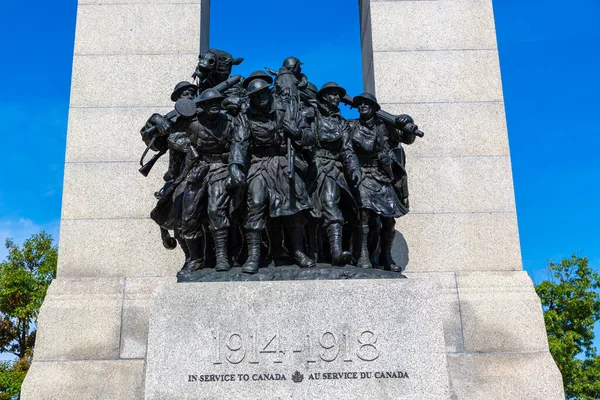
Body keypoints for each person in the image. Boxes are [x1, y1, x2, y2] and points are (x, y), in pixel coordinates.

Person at [228, 79, 316, 274]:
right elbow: (239, 143)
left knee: (295, 206)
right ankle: (253, 255)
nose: (261, 98)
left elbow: (310, 137)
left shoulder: (288, 110)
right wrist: (235, 165)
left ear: (269, 93)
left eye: (263, 93)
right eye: (256, 96)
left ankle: (298, 251)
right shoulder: (246, 117)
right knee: (256, 203)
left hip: (284, 161)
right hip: (259, 164)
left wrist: (297, 132)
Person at [149, 89, 238, 272]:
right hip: (197, 171)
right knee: (187, 216)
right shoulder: (190, 122)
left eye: (217, 102)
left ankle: (221, 257)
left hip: (221, 168)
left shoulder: (229, 122)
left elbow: (241, 145)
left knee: (216, 210)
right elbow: (159, 135)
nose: (214, 105)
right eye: (210, 102)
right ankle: (195, 258)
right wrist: (156, 118)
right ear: (202, 105)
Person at [349, 92, 416, 272]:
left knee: (389, 221)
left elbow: (407, 138)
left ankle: (386, 256)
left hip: (382, 175)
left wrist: (407, 120)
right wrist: (354, 170)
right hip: (362, 173)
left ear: (374, 108)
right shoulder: (352, 126)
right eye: (360, 104)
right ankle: (363, 254)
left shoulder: (385, 127)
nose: (363, 106)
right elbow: (347, 151)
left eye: (367, 104)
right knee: (363, 215)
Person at [304, 82, 359, 265]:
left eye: (338, 94)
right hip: (312, 167)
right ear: (324, 97)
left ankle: (336, 252)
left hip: (332, 169)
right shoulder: (312, 115)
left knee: (330, 204)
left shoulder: (341, 122)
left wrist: (353, 169)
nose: (337, 98)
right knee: (312, 211)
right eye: (333, 94)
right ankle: (313, 252)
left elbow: (347, 150)